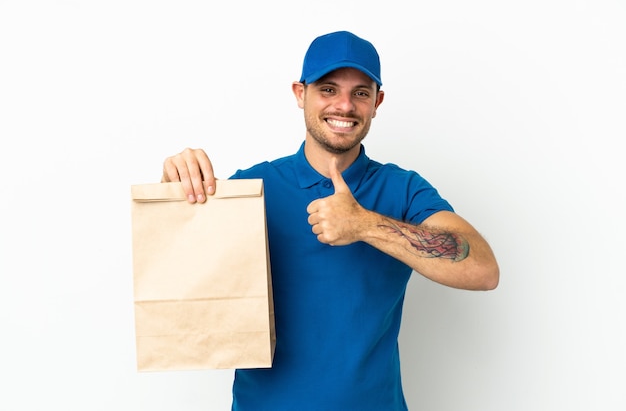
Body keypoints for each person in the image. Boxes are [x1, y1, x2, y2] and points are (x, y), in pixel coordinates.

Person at [161, 30, 499, 411]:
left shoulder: (403, 189)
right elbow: (182, 282)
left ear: (377, 102)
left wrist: (364, 224)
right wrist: (176, 193)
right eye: (328, 89)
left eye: (360, 93)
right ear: (299, 93)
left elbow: (483, 269)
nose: (345, 106)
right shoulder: (251, 188)